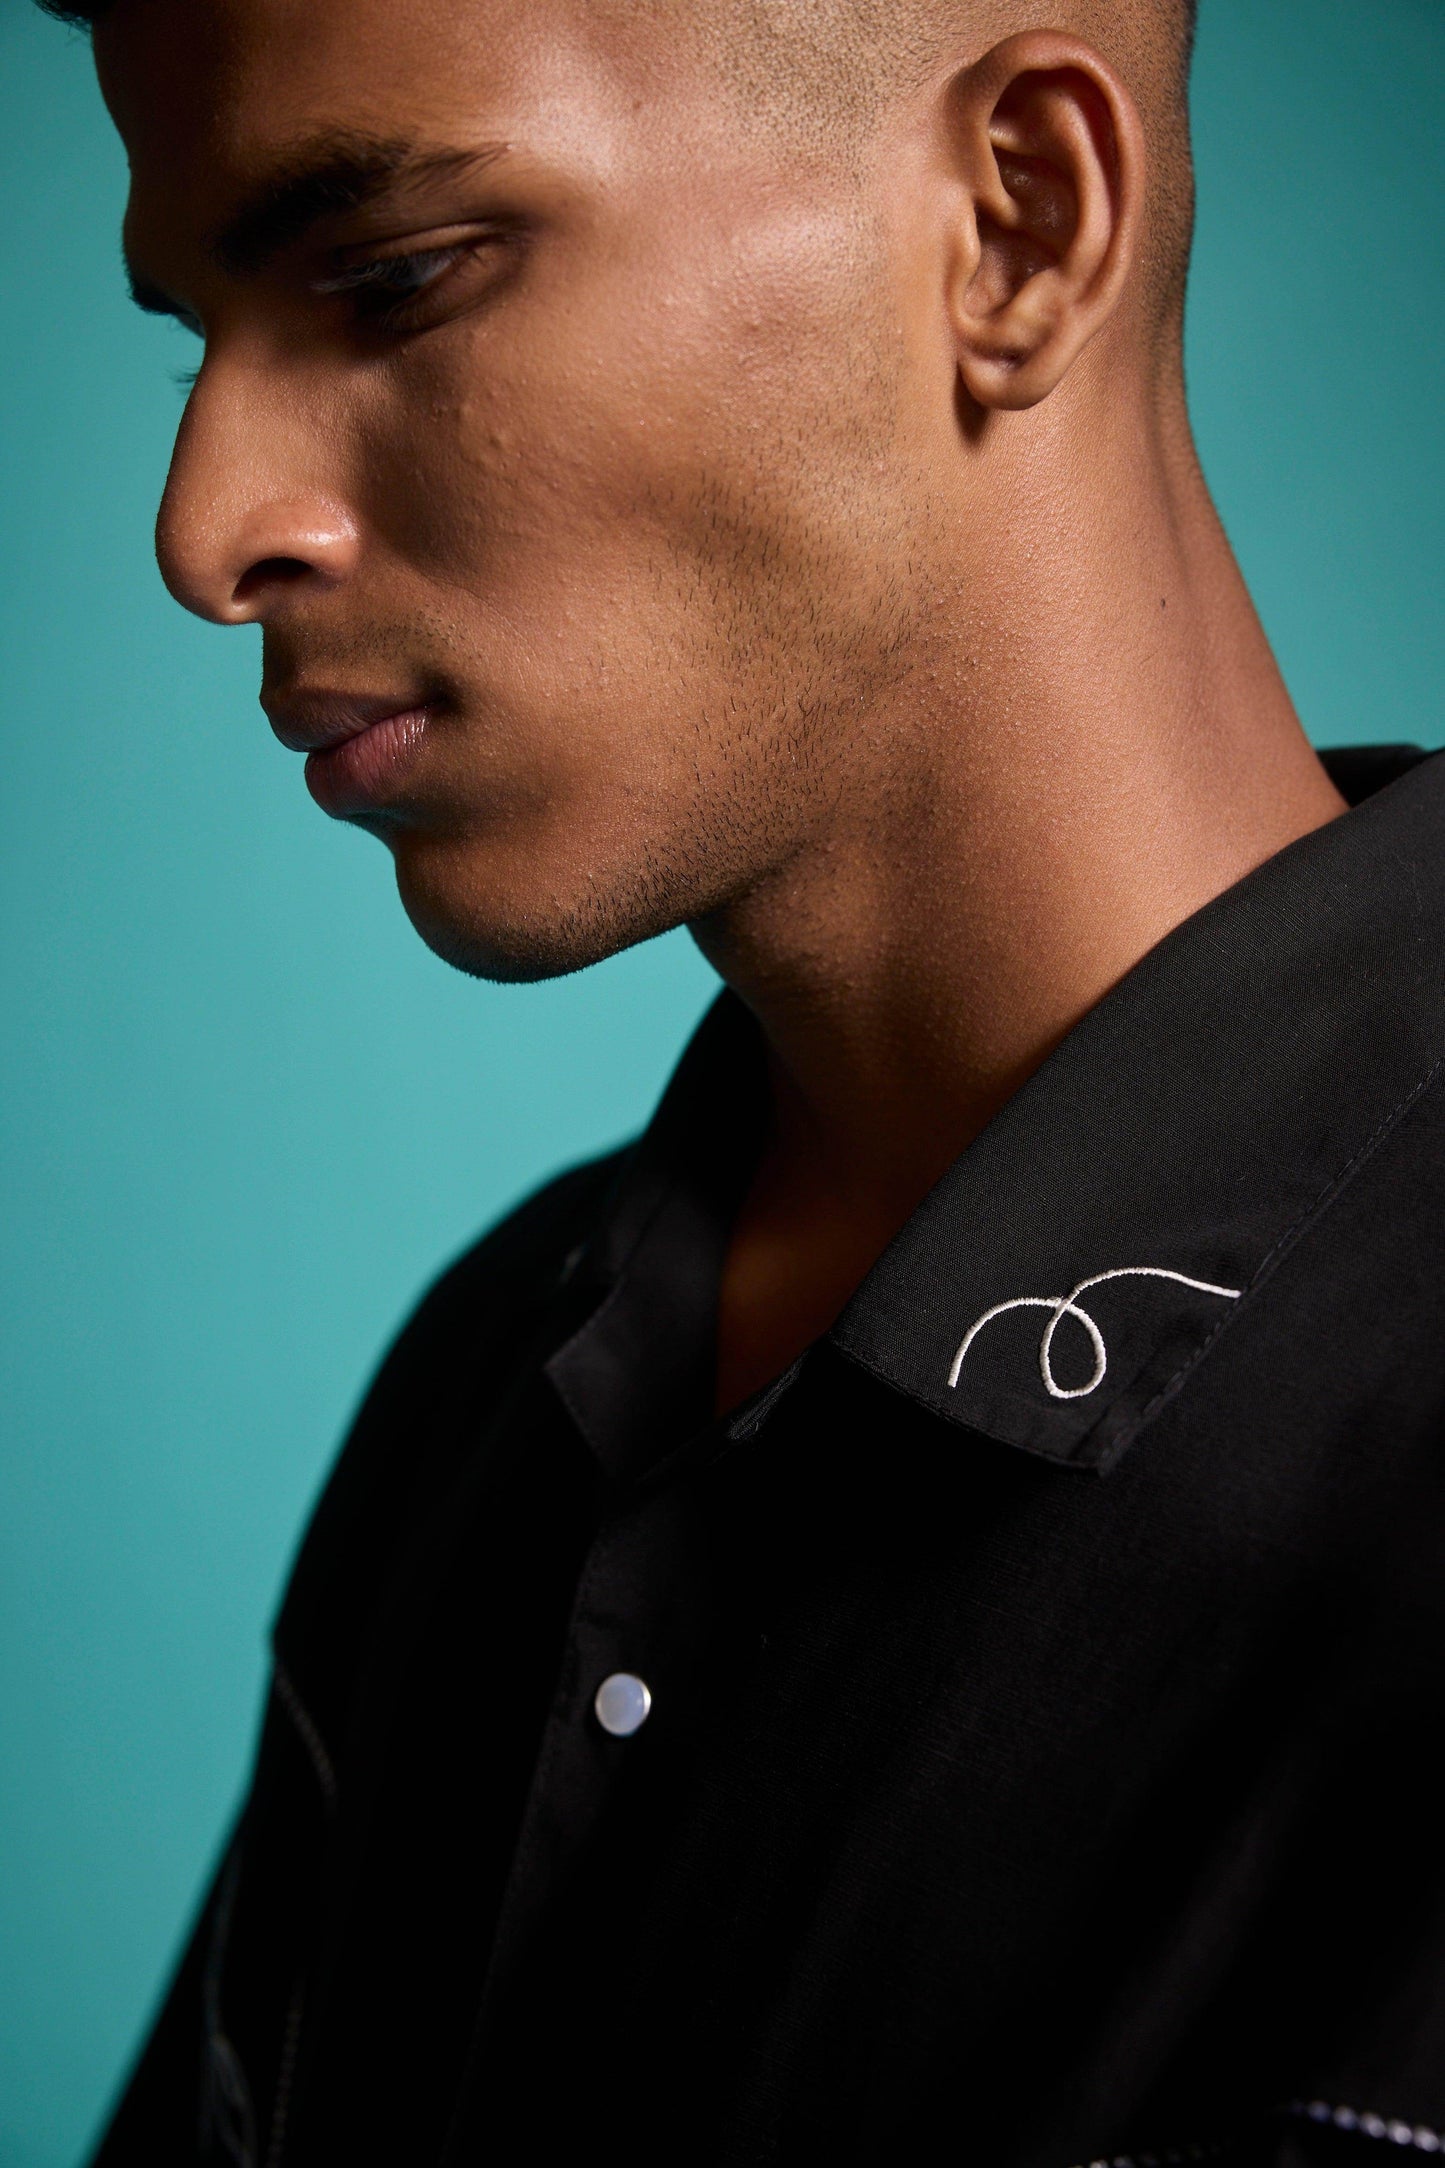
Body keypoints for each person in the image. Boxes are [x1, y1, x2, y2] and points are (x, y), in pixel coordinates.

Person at [45, 0, 1444, 2158]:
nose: (205, 527)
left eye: (395, 278)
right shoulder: (497, 1382)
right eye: (194, 345)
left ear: (1015, 224)